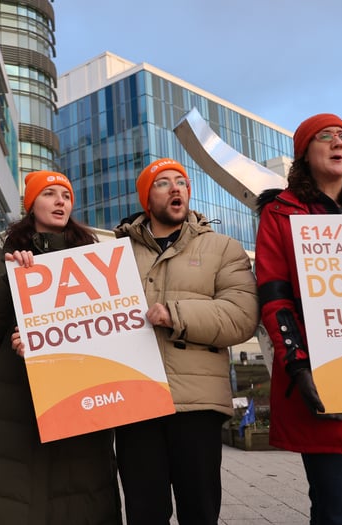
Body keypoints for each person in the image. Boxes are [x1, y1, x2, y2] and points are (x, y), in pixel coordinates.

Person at [255, 113, 342, 524]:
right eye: (325, 136)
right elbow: (274, 300)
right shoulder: (281, 216)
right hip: (322, 378)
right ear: (304, 152)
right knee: (334, 509)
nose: (338, 142)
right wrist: (299, 368)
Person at [0, 171, 122, 525]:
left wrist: (48, 341)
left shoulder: (95, 260)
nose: (60, 201)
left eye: (65, 195)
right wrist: (11, 282)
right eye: (49, 194)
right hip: (16, 409)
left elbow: (112, 334)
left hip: (80, 405)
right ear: (31, 205)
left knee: (81, 504)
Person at [113, 158, 259, 524]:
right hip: (136, 402)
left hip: (197, 405)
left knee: (200, 511)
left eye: (182, 182)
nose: (176, 188)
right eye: (163, 183)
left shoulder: (223, 248)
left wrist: (175, 315)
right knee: (144, 513)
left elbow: (242, 316)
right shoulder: (114, 255)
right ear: (147, 198)